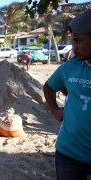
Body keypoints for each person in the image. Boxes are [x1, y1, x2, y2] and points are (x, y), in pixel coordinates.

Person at [43, 9, 91, 180]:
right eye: (73, 41)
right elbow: (49, 88)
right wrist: (57, 112)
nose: (73, 48)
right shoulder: (70, 67)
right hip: (68, 153)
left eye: (79, 41)